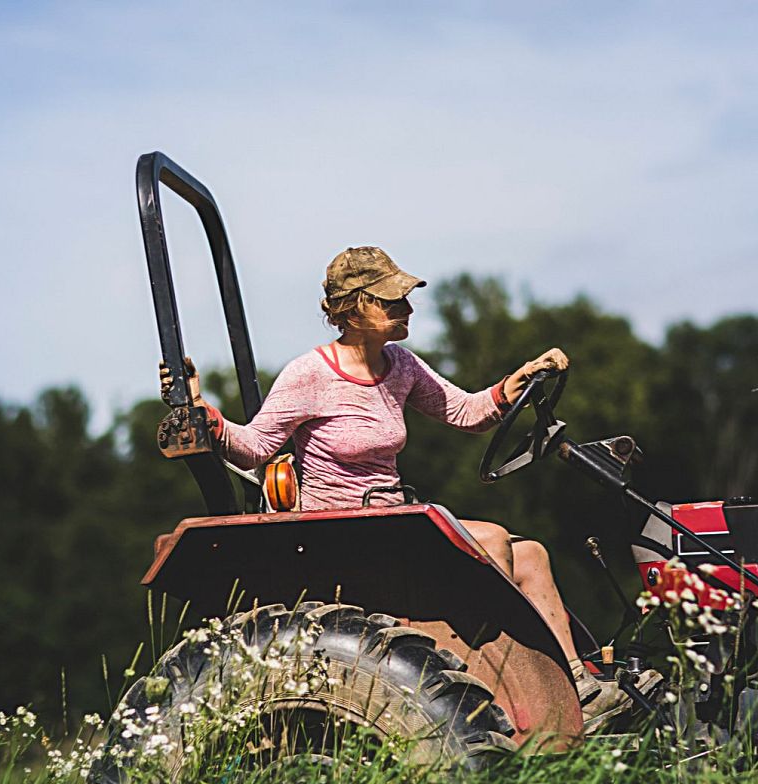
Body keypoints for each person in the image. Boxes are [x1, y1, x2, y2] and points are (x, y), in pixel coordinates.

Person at [161, 246, 649, 727]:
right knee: (495, 540)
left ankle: (578, 694)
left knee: (533, 555)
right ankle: (496, 701)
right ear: (354, 308)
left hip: (392, 520)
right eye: (392, 301)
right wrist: (203, 414)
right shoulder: (308, 374)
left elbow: (466, 412)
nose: (407, 309)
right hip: (344, 531)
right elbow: (255, 446)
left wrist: (519, 380)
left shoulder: (401, 365)